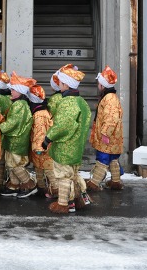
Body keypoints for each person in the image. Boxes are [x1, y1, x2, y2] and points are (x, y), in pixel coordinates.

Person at [42, 65, 92, 213]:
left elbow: (62, 125)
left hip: (65, 146)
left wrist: (48, 137)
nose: (59, 86)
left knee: (63, 175)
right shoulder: (82, 102)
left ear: (65, 84)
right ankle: (77, 200)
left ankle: (63, 203)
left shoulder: (67, 103)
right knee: (73, 174)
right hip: (77, 145)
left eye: (61, 83)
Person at [0, 72, 37, 198]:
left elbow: (12, 123)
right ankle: (14, 185)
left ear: (20, 91)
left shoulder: (19, 105)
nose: (11, 91)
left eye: (14, 89)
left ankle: (29, 184)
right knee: (12, 163)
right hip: (15, 140)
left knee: (15, 164)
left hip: (17, 141)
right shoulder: (20, 104)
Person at [86, 66, 125, 191]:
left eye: (99, 83)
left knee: (103, 159)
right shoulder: (111, 97)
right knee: (113, 158)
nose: (98, 85)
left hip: (108, 136)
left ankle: (94, 183)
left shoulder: (109, 99)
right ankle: (115, 181)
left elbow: (111, 118)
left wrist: (105, 133)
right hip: (114, 136)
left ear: (103, 85)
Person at [29, 84, 57, 198]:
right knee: (39, 168)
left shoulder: (39, 114)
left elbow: (40, 132)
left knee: (48, 169)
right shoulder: (44, 110)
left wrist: (39, 148)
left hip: (42, 147)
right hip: (44, 146)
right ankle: (41, 188)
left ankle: (55, 189)